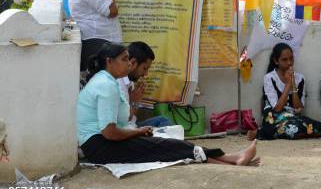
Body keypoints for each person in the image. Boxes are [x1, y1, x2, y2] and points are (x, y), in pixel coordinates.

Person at [77, 42, 259, 165]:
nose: (128, 64)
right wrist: (138, 132)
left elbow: (118, 124)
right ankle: (231, 158)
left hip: (100, 145)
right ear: (109, 62)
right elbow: (109, 132)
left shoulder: (107, 81)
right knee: (163, 147)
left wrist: (136, 129)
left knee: (164, 147)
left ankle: (230, 159)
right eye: (124, 59)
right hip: (100, 147)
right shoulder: (106, 85)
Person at [247, 43, 321, 140]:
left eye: (291, 58)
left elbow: (298, 108)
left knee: (320, 127)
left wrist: (293, 84)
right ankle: (263, 132)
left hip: (292, 117)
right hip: (274, 118)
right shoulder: (269, 78)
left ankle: (265, 132)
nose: (289, 63)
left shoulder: (300, 78)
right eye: (284, 60)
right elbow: (277, 108)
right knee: (296, 129)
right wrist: (288, 84)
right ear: (276, 61)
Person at [119, 41, 172, 128]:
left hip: (133, 126)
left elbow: (132, 118)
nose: (146, 74)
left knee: (162, 121)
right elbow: (124, 120)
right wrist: (133, 101)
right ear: (133, 63)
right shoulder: (118, 83)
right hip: (124, 131)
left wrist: (136, 101)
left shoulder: (130, 82)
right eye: (144, 68)